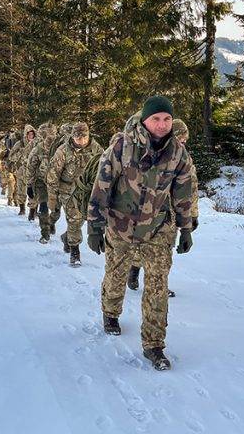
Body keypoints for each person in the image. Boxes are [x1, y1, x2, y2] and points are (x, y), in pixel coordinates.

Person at [87, 96, 195, 371]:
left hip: (158, 229)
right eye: (156, 119)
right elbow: (101, 187)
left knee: (157, 286)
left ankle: (154, 345)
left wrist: (186, 228)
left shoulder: (178, 153)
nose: (162, 124)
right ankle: (110, 313)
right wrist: (95, 226)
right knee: (116, 275)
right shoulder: (122, 147)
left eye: (167, 119)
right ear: (145, 120)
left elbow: (183, 193)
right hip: (120, 226)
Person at [127, 118, 200, 297]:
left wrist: (192, 215)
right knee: (142, 246)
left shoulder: (185, 158)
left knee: (165, 251)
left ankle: (159, 285)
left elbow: (192, 188)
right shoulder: (156, 156)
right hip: (153, 210)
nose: (182, 143)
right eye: (179, 139)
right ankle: (134, 268)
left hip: (174, 214)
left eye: (185, 140)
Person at [47, 122, 103, 265]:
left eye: (84, 138)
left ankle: (67, 238)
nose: (81, 141)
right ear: (72, 137)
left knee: (82, 219)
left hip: (87, 190)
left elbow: (104, 169)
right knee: (74, 219)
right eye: (78, 138)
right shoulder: (63, 150)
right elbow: (53, 174)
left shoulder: (97, 149)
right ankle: (75, 252)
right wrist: (53, 197)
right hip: (68, 190)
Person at [27, 123, 58, 243]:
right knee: (43, 205)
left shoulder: (61, 148)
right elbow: (31, 167)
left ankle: (51, 222)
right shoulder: (38, 149)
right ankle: (45, 233)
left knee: (56, 209)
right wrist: (29, 185)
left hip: (57, 183)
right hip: (41, 182)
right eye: (45, 135)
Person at [7, 125, 36, 215]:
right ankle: (22, 208)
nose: (31, 136)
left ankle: (32, 212)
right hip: (22, 171)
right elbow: (11, 157)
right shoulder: (20, 144)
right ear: (25, 135)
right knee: (21, 191)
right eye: (29, 134)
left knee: (33, 192)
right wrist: (21, 152)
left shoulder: (37, 144)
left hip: (33, 172)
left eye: (32, 134)